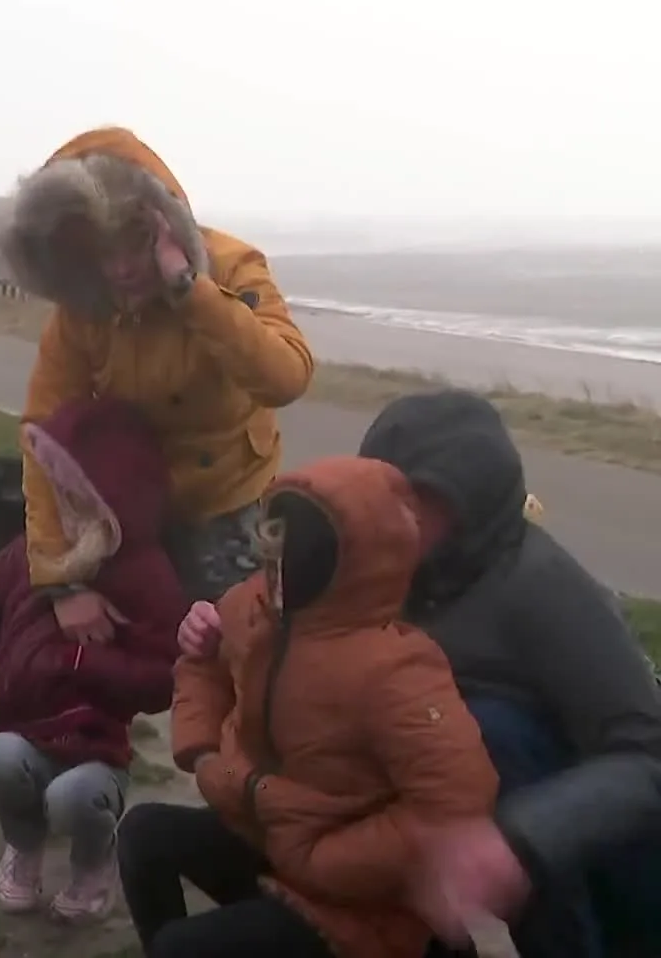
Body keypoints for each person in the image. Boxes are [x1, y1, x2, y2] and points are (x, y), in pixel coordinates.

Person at [0, 126, 315, 885]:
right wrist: (61, 582)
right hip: (117, 515)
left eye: (133, 245)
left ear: (164, 225)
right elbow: (41, 441)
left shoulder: (233, 267)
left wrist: (190, 291)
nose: (119, 270)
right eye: (95, 255)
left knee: (256, 673)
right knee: (24, 652)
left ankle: (281, 847)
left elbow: (286, 376)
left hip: (226, 506)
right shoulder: (81, 315)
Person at [177, 390, 661, 958]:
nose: (401, 515)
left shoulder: (544, 591)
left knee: (490, 726)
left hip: (551, 827)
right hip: (407, 830)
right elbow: (283, 625)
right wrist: (213, 630)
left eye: (425, 499)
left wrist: (519, 841)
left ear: (472, 506)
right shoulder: (375, 556)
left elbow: (645, 753)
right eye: (392, 492)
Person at [123, 457, 499, 957]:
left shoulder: (396, 670)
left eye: (296, 552)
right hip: (270, 838)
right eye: (272, 548)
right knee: (144, 834)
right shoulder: (255, 605)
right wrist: (203, 751)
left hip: (354, 903)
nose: (275, 568)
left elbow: (455, 808)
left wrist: (327, 859)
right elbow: (203, 666)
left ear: (349, 559)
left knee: (183, 948)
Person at [0, 398, 191, 923]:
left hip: (95, 750)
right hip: (23, 731)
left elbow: (162, 680)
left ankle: (91, 864)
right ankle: (24, 844)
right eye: (58, 487)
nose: (64, 503)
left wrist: (80, 662)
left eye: (78, 491)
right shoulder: (35, 549)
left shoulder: (146, 574)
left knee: (74, 797)